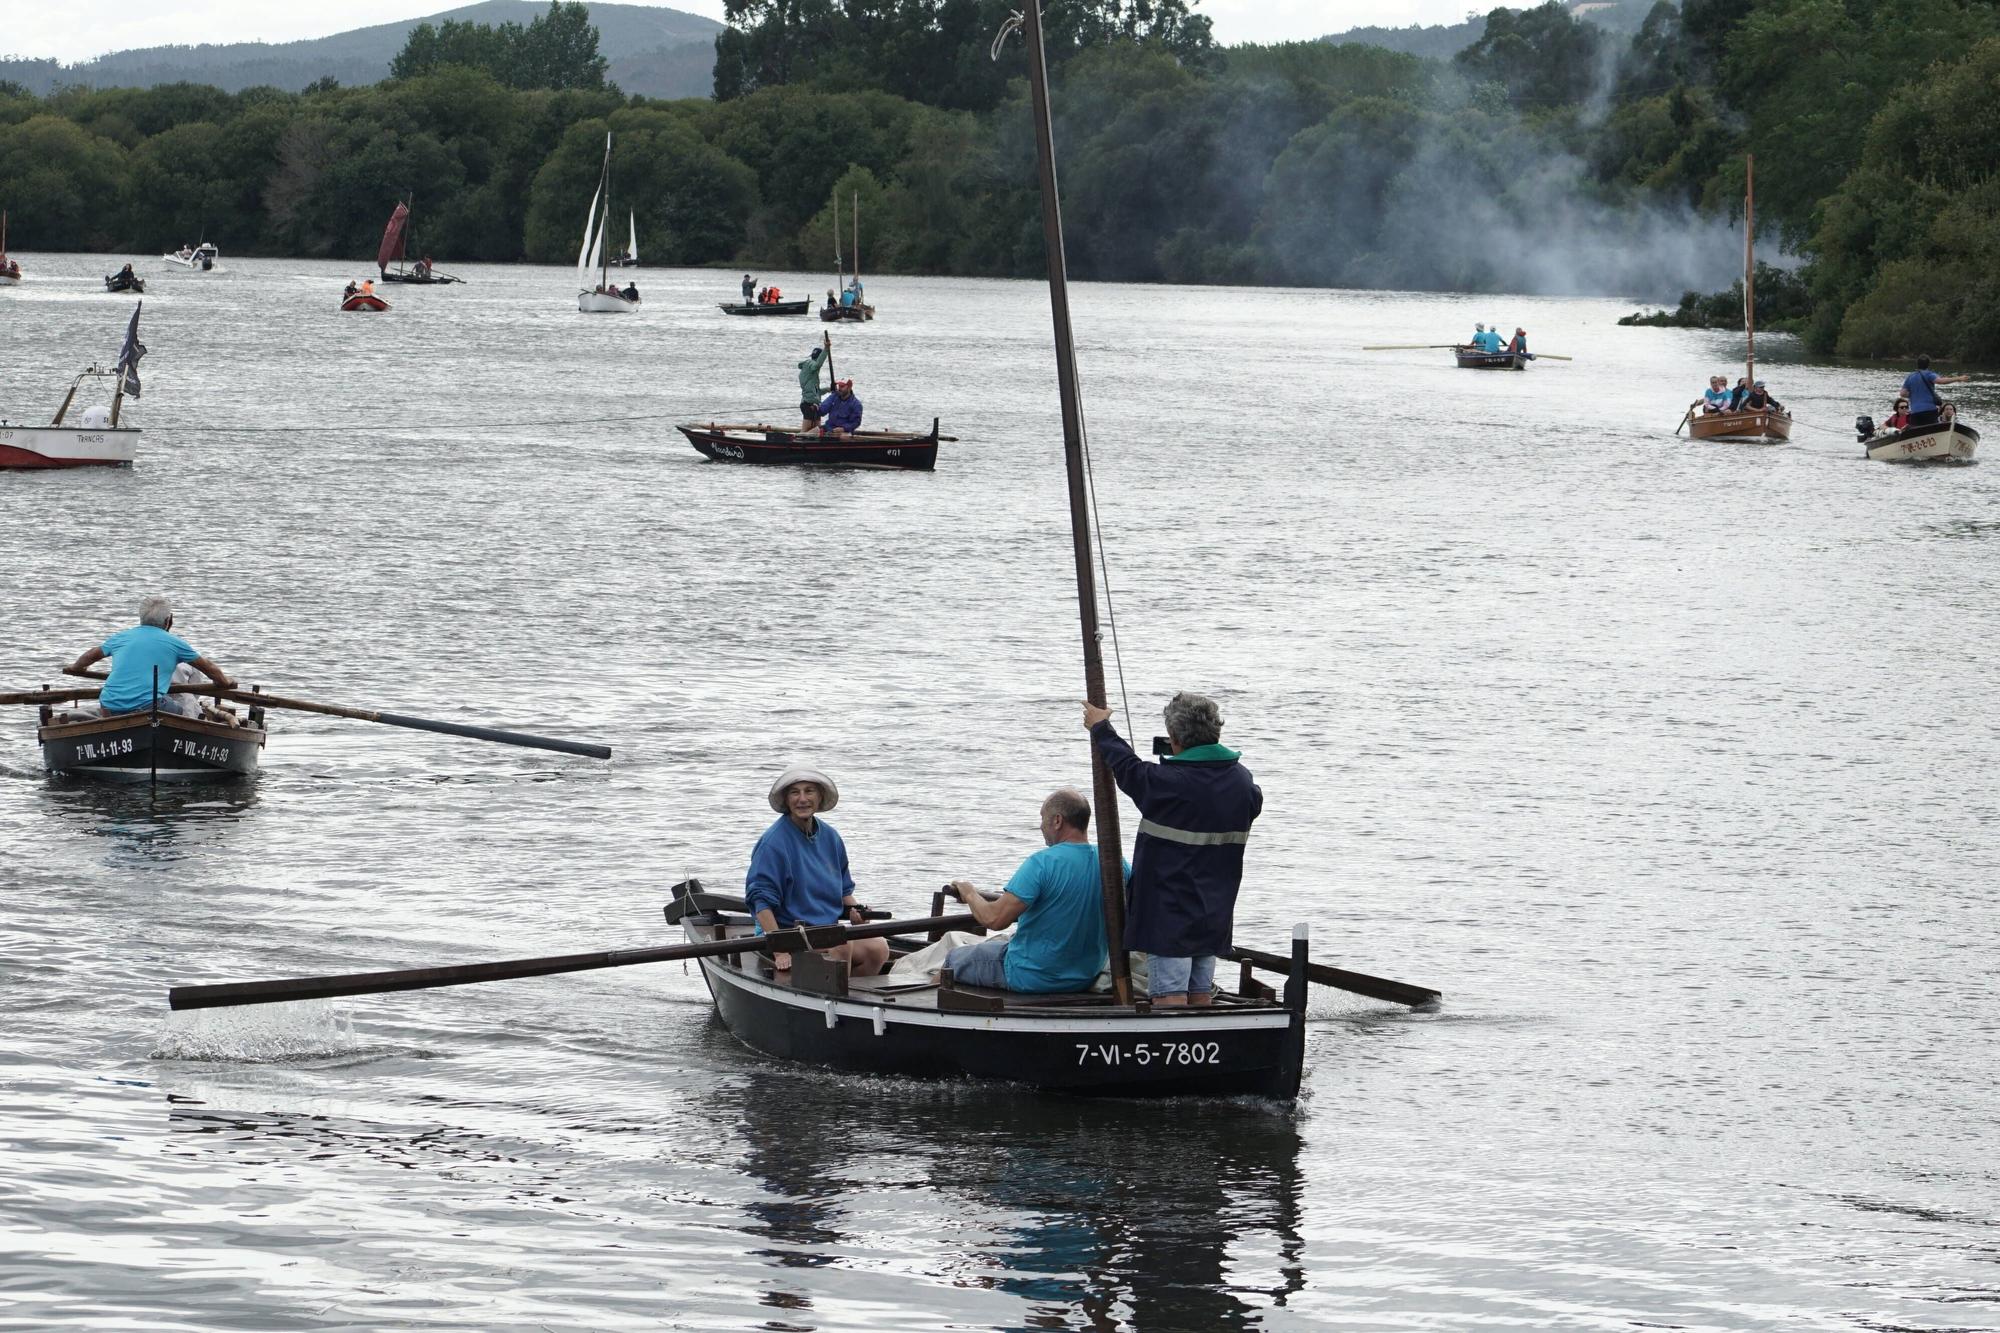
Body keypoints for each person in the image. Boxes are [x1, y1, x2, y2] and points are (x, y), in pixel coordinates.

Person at [1084, 693, 1262, 1007]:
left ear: (1176, 737)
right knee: (1200, 995)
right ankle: (1206, 1052)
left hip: (1169, 914)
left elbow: (1127, 767)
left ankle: (1173, 1045)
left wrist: (1101, 729)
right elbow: (1203, 782)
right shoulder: (1243, 782)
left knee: (1170, 997)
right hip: (1214, 910)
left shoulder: (1167, 783)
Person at [938, 789, 1113, 993]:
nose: (1040, 826)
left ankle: (923, 1009)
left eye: (1043, 818)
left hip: (1030, 975)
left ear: (1057, 821)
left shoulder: (1042, 864)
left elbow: (994, 919)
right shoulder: (1115, 863)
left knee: (952, 959)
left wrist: (969, 893)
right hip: (1084, 975)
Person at [745, 765, 889, 977]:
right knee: (841, 946)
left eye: (809, 791)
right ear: (786, 800)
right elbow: (761, 902)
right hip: (788, 933)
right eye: (795, 792)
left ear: (820, 797)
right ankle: (836, 997)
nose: (802, 799)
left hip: (826, 931)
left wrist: (856, 912)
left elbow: (844, 891)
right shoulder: (773, 843)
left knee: (879, 948)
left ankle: (851, 994)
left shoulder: (831, 837)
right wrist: (780, 950)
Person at [66, 596, 233, 719]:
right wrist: (224, 683)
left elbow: (90, 655)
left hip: (109, 705)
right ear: (169, 621)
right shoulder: (176, 643)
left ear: (141, 620)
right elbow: (208, 667)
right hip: (148, 706)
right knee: (182, 713)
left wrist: (77, 669)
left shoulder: (120, 638)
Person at [1904, 355, 1970, 428]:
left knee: (1917, 432)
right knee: (1933, 430)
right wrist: (1958, 378)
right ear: (1928, 364)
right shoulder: (1929, 374)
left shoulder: (1910, 377)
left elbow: (1903, 393)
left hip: (1915, 412)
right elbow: (1941, 381)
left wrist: (1915, 394)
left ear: (1917, 364)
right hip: (1929, 410)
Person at [797, 346, 827, 428]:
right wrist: (826, 349)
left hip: (814, 404)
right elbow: (817, 365)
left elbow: (816, 392)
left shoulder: (810, 372)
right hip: (808, 404)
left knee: (817, 431)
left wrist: (829, 389)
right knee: (807, 433)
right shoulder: (811, 364)